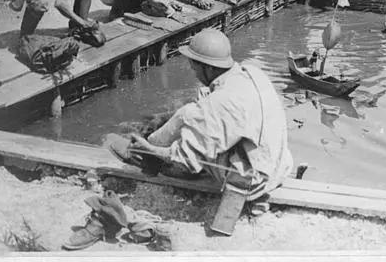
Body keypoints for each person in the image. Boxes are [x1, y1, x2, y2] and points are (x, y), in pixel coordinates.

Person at [108, 28, 293, 202]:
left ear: (209, 68)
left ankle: (143, 155)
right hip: (278, 165)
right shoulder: (251, 72)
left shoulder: (217, 104)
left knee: (185, 134)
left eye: (194, 68)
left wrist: (152, 149)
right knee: (190, 115)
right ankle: (152, 143)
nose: (194, 73)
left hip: (253, 180)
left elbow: (185, 159)